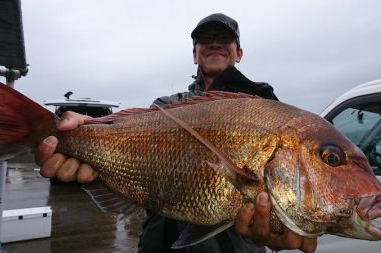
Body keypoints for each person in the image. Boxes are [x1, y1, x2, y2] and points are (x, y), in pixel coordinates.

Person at [36, 13, 317, 253]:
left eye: (225, 38)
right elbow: (123, 134)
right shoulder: (166, 107)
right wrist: (83, 133)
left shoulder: (270, 112)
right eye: (206, 40)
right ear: (195, 53)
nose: (215, 43)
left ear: (239, 53)